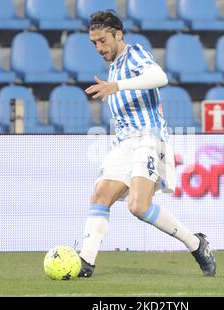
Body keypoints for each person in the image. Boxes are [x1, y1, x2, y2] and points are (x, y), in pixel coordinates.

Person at [78, 10, 216, 277]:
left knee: (138, 206)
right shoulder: (114, 67)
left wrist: (117, 86)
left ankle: (196, 244)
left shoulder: (134, 54)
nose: (98, 48)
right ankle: (86, 262)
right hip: (123, 143)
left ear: (118, 35)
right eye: (94, 43)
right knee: (99, 196)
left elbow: (160, 77)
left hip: (149, 138)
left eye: (103, 41)